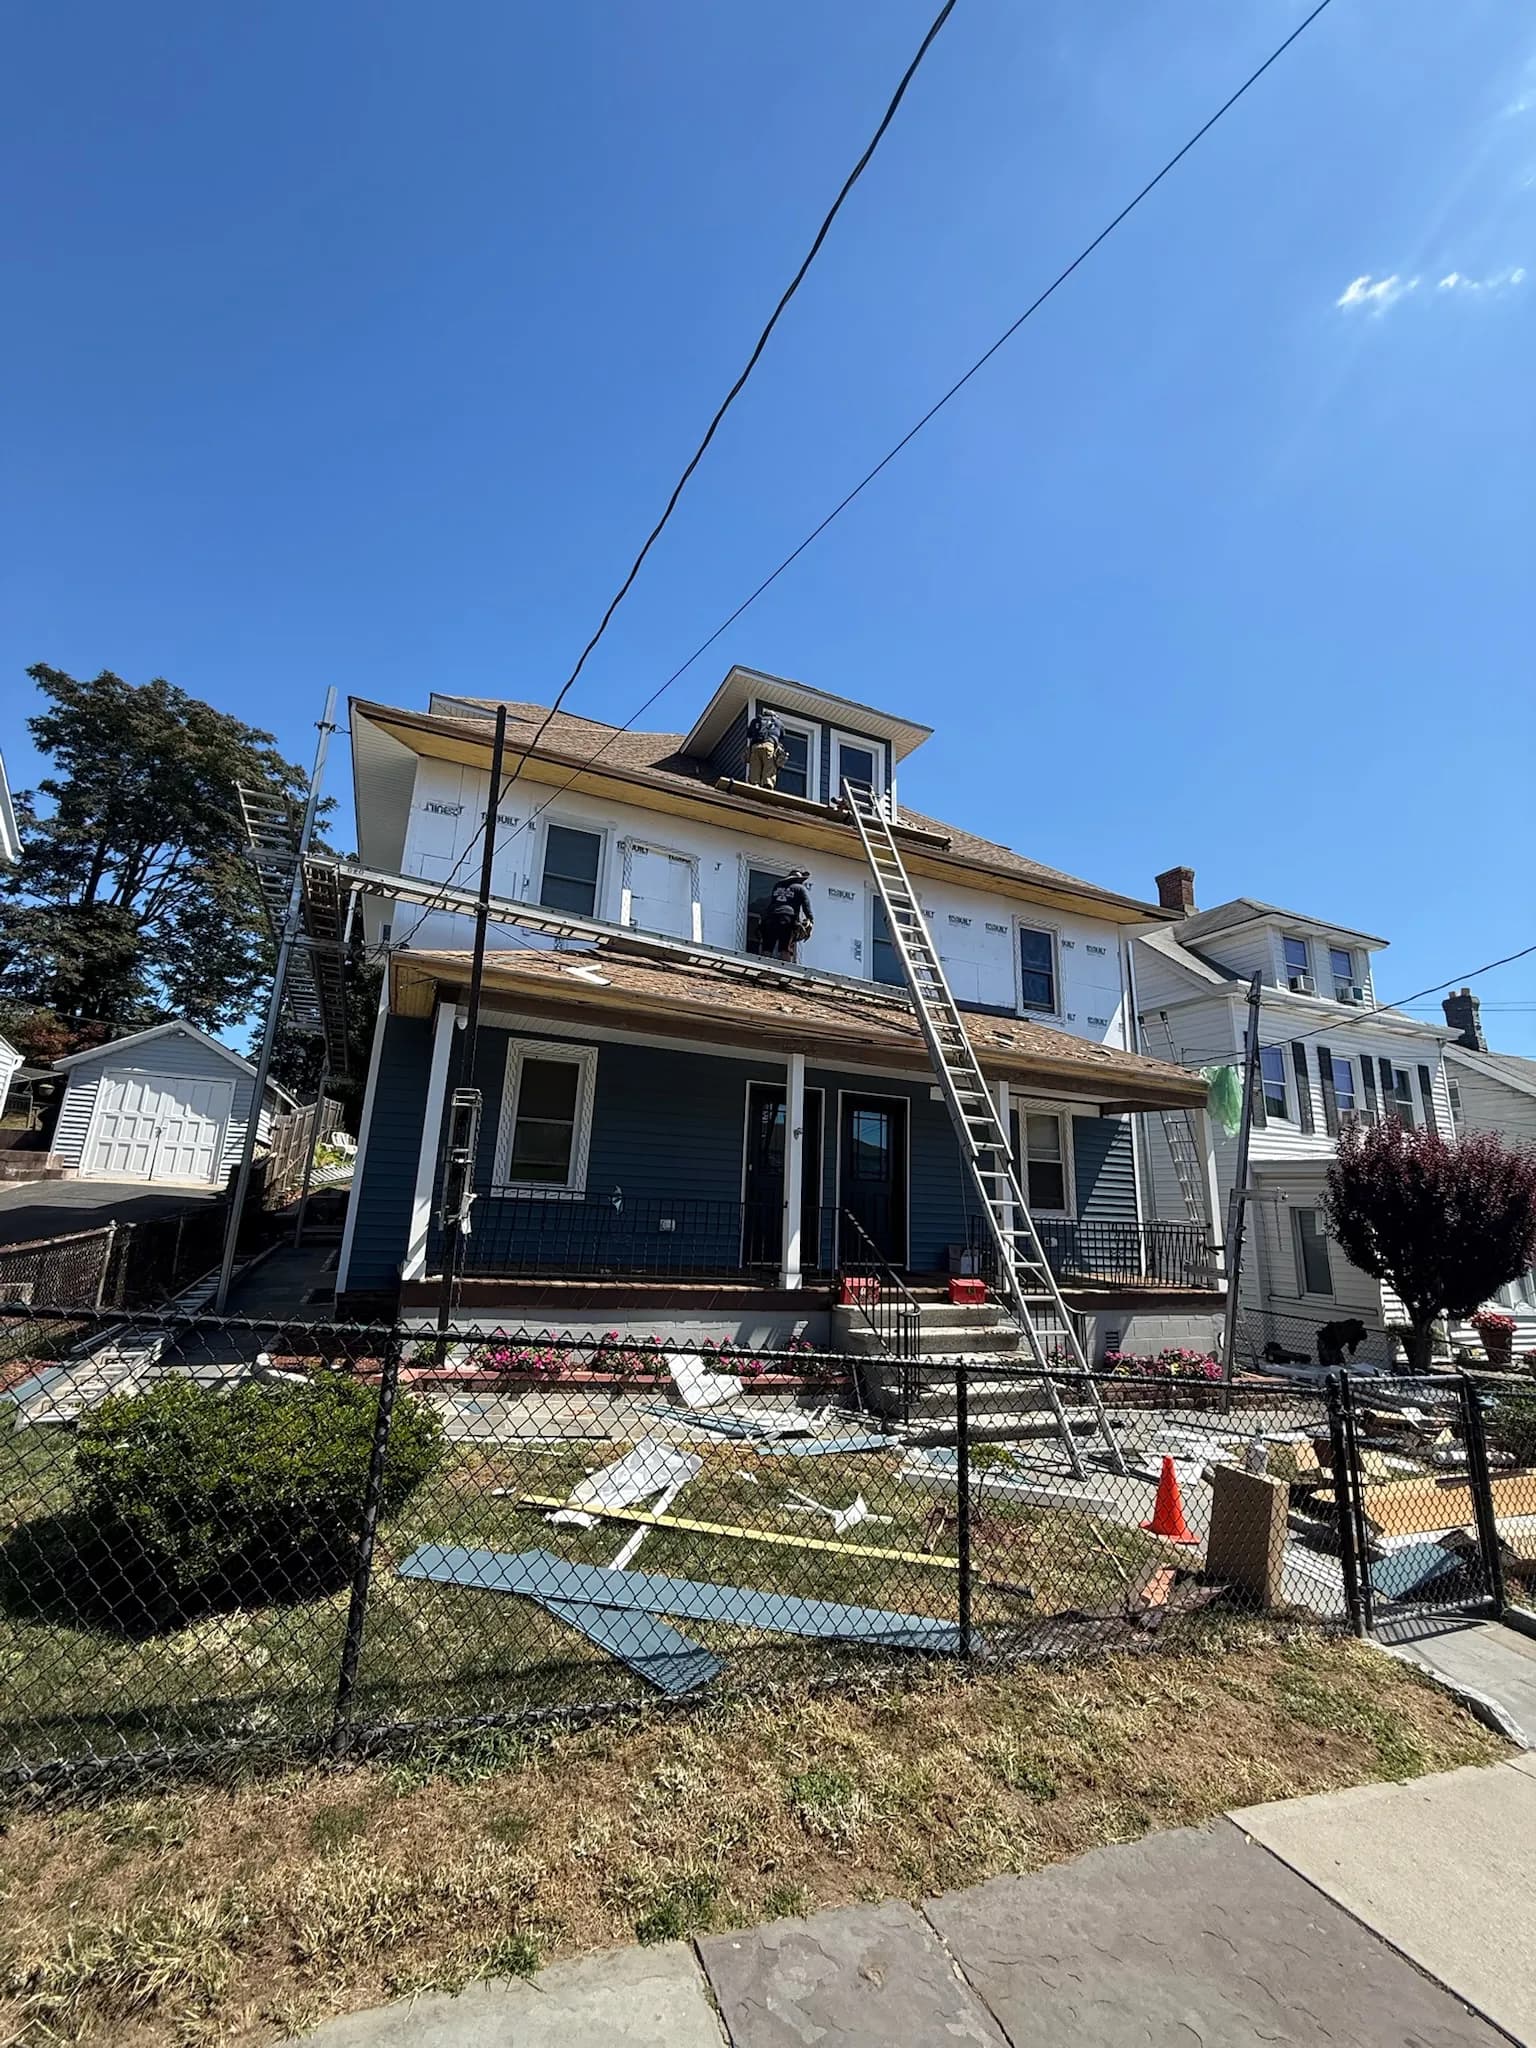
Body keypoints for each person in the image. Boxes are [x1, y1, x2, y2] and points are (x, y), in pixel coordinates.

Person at [761, 868, 814, 961]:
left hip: (771, 917)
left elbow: (771, 903)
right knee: (785, 948)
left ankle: (762, 966)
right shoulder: (800, 888)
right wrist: (810, 919)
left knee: (767, 947)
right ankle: (785, 969)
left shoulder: (777, 885)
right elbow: (806, 905)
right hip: (787, 918)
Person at [746, 708, 786, 788]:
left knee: (755, 766)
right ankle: (767, 783)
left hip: (755, 747)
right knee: (769, 766)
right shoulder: (778, 722)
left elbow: (749, 734)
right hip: (769, 745)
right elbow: (782, 735)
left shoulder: (755, 721)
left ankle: (754, 783)